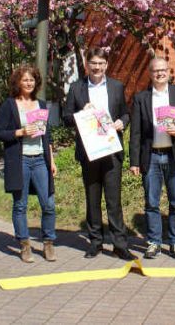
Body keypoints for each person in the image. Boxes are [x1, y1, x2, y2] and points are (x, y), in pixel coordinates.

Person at [63, 47, 135, 261]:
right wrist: (80, 114)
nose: (97, 67)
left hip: (112, 150)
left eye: (101, 64)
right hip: (89, 150)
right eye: (93, 63)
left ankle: (119, 244)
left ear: (106, 65)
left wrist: (123, 121)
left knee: (114, 200)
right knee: (92, 199)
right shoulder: (76, 88)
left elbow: (125, 112)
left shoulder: (116, 86)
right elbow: (66, 117)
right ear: (87, 64)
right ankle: (95, 242)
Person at [129, 57, 175, 259]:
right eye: (155, 71)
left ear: (169, 72)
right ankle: (154, 243)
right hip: (152, 157)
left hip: (174, 156)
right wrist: (134, 161)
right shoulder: (141, 98)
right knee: (151, 202)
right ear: (150, 73)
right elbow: (136, 133)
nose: (159, 73)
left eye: (163, 70)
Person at [0, 65, 57, 263]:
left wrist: (52, 160)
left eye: (32, 80)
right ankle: (24, 245)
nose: (29, 83)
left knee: (48, 204)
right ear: (18, 82)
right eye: (25, 80)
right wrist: (20, 132)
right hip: (19, 160)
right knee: (20, 205)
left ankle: (48, 242)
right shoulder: (9, 105)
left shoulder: (41, 104)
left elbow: (48, 136)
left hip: (40, 159)